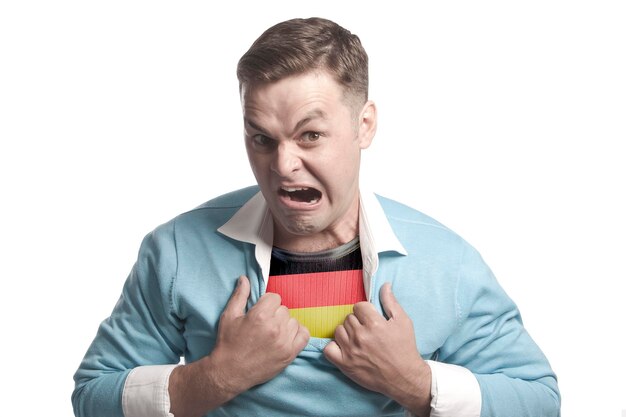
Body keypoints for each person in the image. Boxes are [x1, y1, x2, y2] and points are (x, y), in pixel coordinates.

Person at [72, 17, 560, 417]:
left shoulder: (446, 262)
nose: (283, 165)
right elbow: (93, 394)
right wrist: (216, 377)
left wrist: (414, 382)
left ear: (363, 125)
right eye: (261, 138)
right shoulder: (177, 250)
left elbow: (539, 400)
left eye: (309, 136)